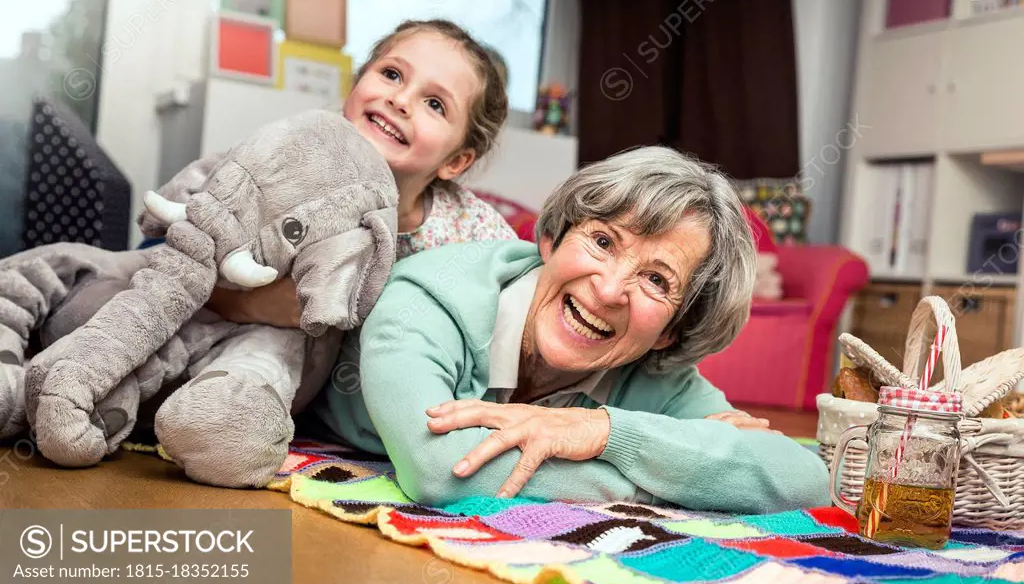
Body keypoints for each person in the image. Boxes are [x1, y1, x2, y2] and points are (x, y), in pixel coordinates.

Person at [312, 147, 831, 514]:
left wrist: (602, 432)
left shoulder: (653, 367)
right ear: (553, 239)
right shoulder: (432, 296)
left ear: (673, 331)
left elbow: (802, 479)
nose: (607, 290)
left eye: (655, 279)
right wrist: (666, 480)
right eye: (603, 241)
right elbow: (439, 470)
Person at [206, 19, 518, 325]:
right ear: (355, 86)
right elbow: (180, 259)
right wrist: (248, 306)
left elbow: (519, 317)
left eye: (435, 104)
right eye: (392, 74)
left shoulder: (475, 238)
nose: (400, 100)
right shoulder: (280, 163)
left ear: (456, 162)